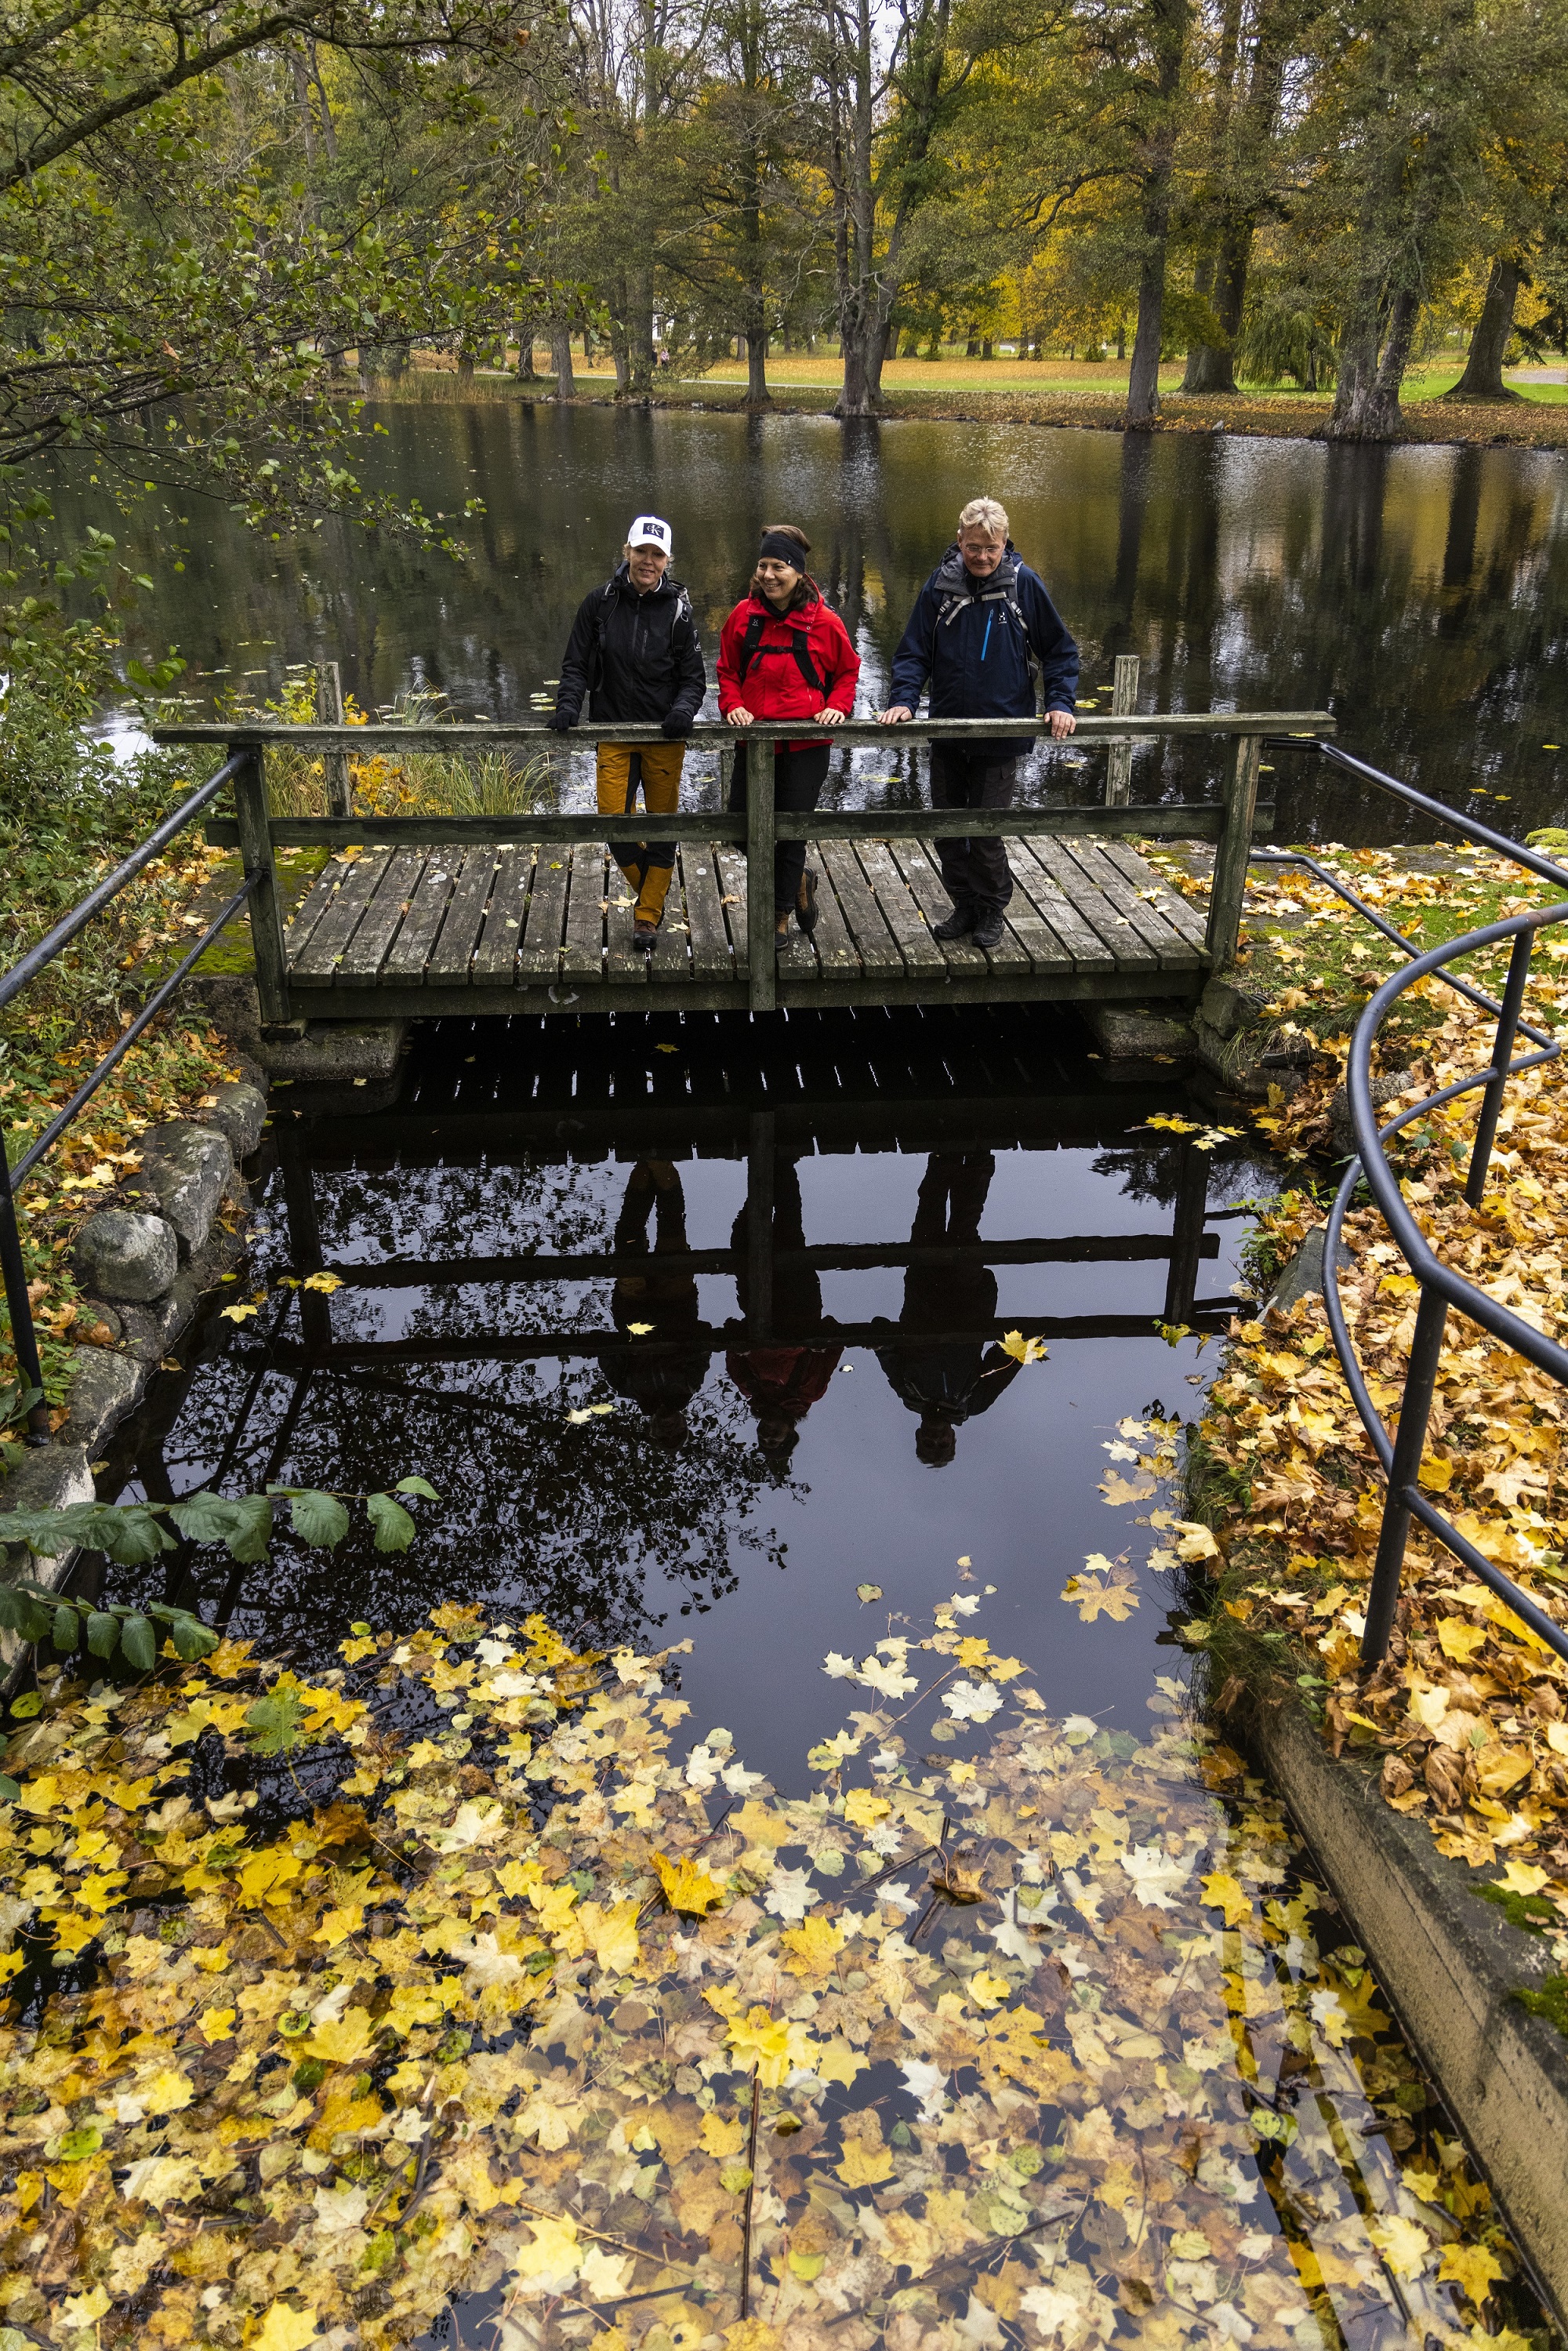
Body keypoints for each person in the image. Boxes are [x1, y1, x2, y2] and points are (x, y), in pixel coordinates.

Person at [880, 496, 1079, 953]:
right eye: (974, 547)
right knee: (950, 828)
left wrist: (1060, 702)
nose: (983, 557)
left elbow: (1060, 651)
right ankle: (964, 905)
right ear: (960, 542)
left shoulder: (1023, 585)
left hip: (1002, 731)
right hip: (948, 729)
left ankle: (991, 909)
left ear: (1004, 544)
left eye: (991, 548)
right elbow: (913, 652)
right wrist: (904, 701)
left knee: (986, 832)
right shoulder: (940, 586)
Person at [550, 516, 706, 954]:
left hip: (664, 737)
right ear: (627, 552)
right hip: (613, 730)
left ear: (667, 560)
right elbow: (576, 663)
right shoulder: (600, 604)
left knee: (661, 826)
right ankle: (653, 893)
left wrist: (681, 711)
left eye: (657, 555)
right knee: (613, 823)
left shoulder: (678, 610)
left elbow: (694, 679)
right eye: (642, 552)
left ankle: (647, 917)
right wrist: (568, 705)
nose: (648, 562)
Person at [718, 525, 860, 947]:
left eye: (778, 566)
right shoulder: (742, 617)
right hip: (754, 743)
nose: (768, 575)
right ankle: (800, 880)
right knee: (740, 829)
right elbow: (726, 669)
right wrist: (732, 705)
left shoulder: (825, 622)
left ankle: (779, 914)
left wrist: (838, 704)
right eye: (763, 565)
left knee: (789, 830)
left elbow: (848, 670)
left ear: (797, 572)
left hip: (806, 747)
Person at [874, 1150, 1022, 1466]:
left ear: (918, 1435)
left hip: (923, 1291)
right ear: (953, 1438)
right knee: (965, 1225)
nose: (936, 1437)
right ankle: (979, 1159)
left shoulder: (909, 1395)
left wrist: (879, 1340)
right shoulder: (973, 1401)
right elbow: (1012, 1356)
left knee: (928, 1215)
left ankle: (944, 1155)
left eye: (929, 1441)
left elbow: (888, 1354)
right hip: (966, 1296)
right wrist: (1008, 1337)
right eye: (942, 1443)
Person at [727, 1150, 842, 1469]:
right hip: (799, 1299)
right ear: (791, 1432)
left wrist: (739, 1340)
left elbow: (730, 1340)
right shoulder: (811, 1391)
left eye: (764, 1438)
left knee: (743, 1237)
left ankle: (765, 1168)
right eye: (775, 1439)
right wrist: (814, 1338)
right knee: (789, 1228)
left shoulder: (749, 1389)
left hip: (755, 1300)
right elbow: (834, 1341)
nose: (768, 1434)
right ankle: (783, 1163)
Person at [597, 1158, 710, 1449]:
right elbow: (705, 1335)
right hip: (677, 1300)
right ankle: (661, 1165)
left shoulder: (626, 1387)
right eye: (676, 1432)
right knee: (671, 1231)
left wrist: (635, 1337)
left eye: (662, 1434)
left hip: (632, 1304)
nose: (668, 1427)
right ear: (685, 1423)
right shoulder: (689, 1384)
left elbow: (603, 1346)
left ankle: (643, 1171)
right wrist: (673, 1335)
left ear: (651, 1428)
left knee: (627, 1240)